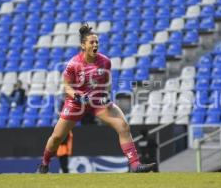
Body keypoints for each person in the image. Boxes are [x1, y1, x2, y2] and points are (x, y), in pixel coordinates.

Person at [38, 24, 155, 173]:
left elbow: (107, 81)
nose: (95, 45)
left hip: (96, 102)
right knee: (56, 137)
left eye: (97, 42)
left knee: (123, 126)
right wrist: (77, 96)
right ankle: (44, 163)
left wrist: (105, 95)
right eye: (91, 42)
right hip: (76, 103)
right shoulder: (73, 64)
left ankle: (135, 165)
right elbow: (66, 86)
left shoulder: (105, 61)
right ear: (83, 45)